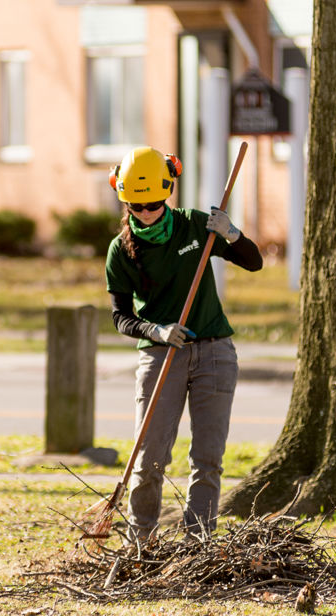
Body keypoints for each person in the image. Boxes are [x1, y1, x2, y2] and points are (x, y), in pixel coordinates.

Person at [104, 146, 263, 541]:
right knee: (149, 458)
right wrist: (156, 331)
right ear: (124, 198)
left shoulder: (195, 226)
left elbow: (254, 262)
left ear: (168, 190)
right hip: (161, 356)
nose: (146, 211)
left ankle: (198, 545)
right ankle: (139, 541)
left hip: (214, 352)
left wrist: (232, 233)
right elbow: (121, 316)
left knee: (207, 460)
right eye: (137, 204)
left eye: (154, 202)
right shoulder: (120, 251)